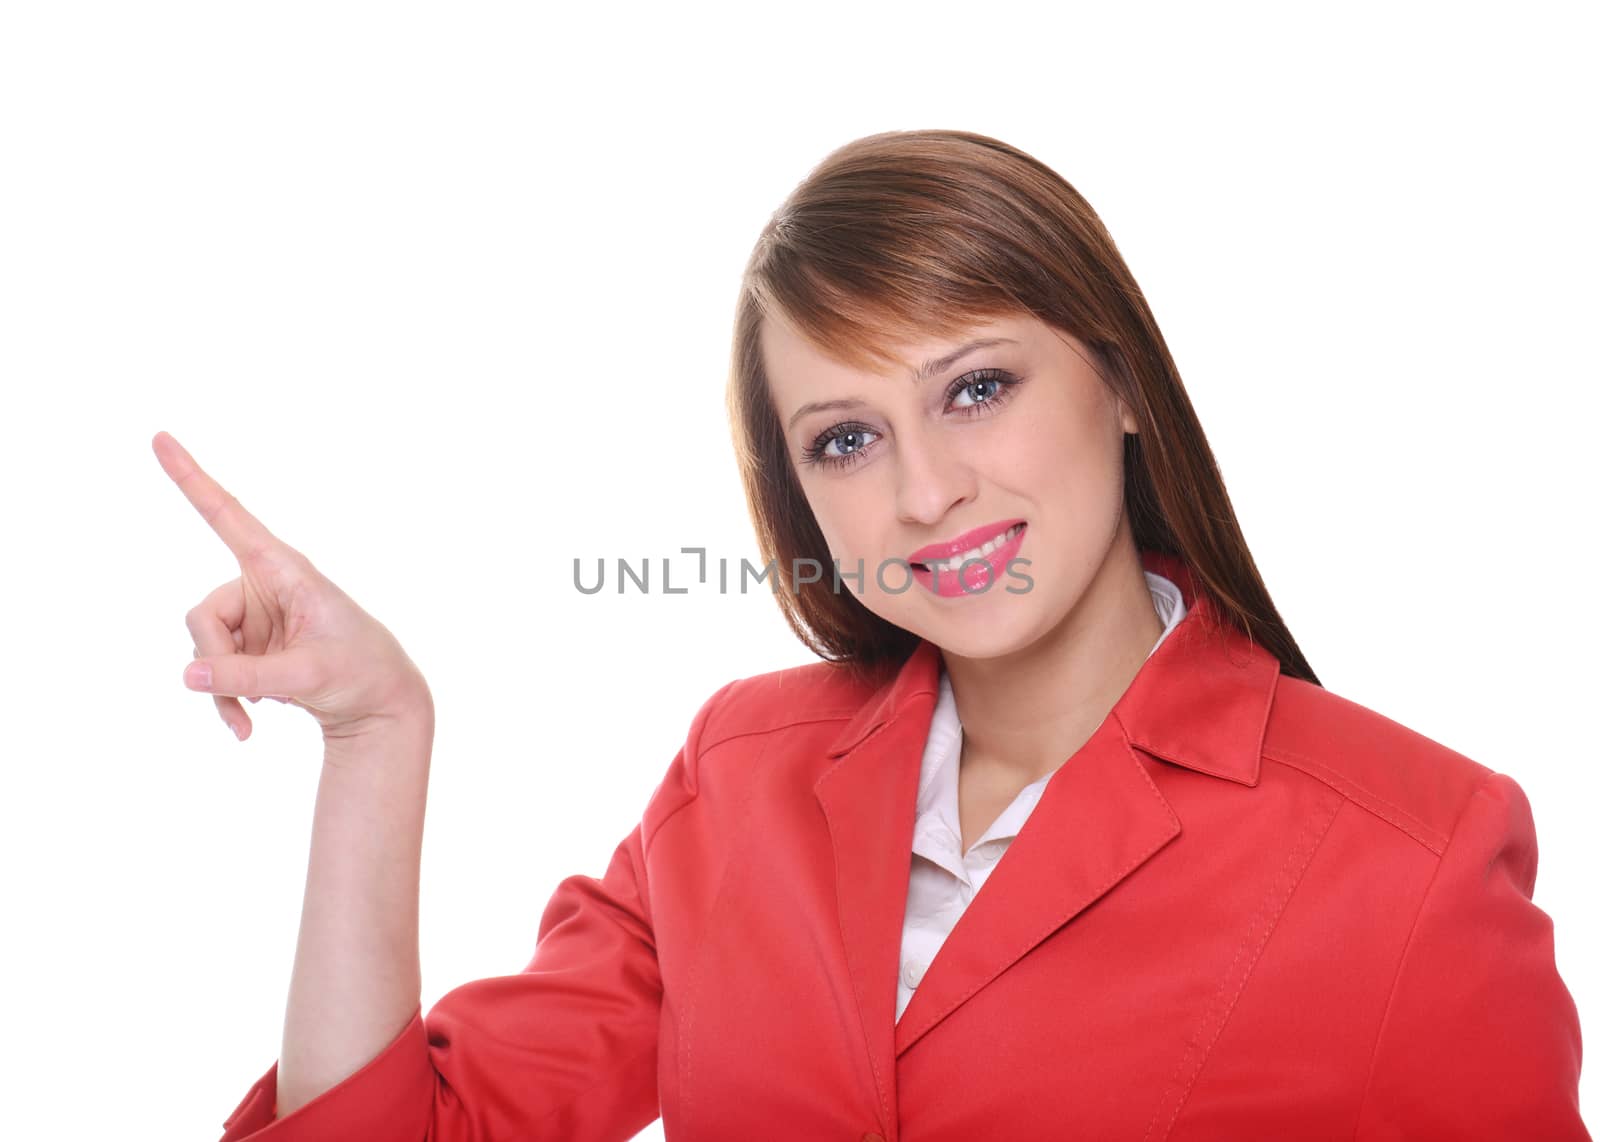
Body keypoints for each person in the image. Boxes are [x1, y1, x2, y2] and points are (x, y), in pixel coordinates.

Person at [169, 129, 1589, 1140]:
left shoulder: (1411, 854)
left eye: (976, 388)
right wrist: (375, 738)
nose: (924, 491)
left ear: (1122, 383)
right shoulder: (742, 776)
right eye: (847, 436)